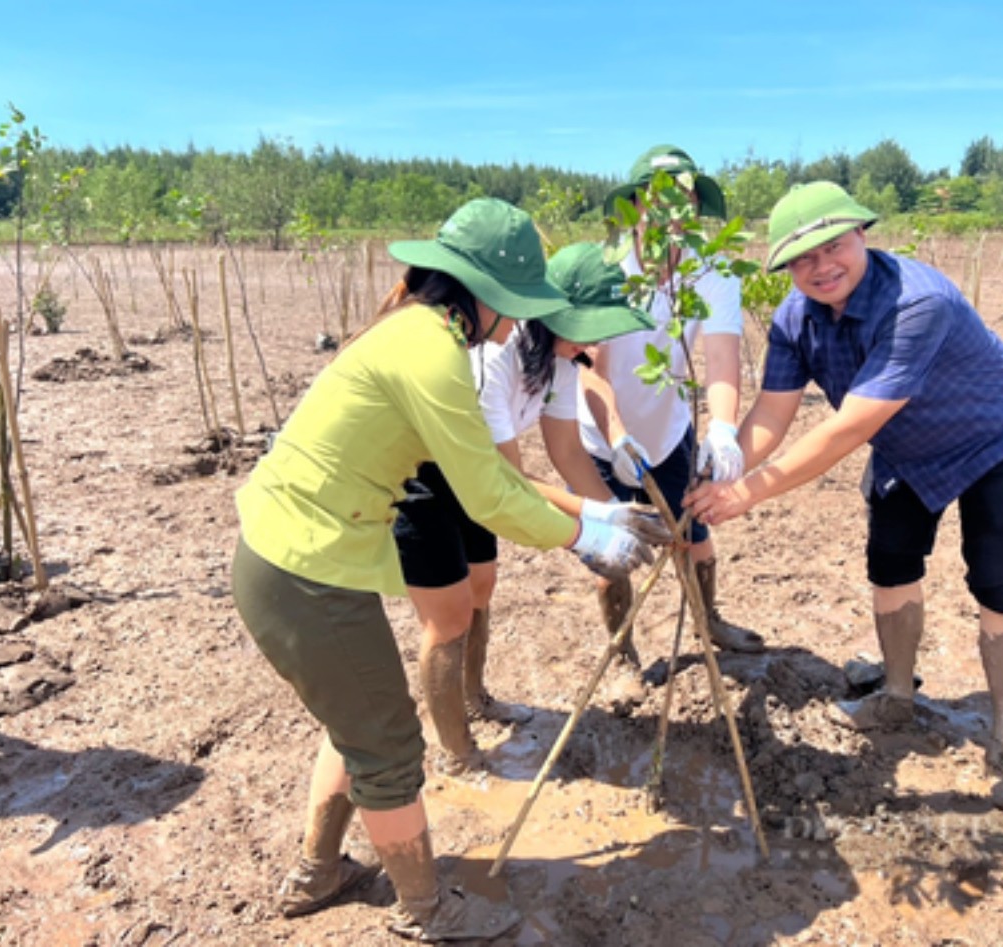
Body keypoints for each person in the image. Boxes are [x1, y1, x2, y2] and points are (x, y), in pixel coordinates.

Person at [231, 198, 656, 941]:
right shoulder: (432, 351)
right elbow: (487, 491)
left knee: (356, 720)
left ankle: (317, 871)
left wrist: (597, 513)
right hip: (304, 571)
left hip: (295, 555)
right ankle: (425, 908)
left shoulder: (419, 332)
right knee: (389, 744)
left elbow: (513, 474)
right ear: (486, 296)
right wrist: (584, 537)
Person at [685, 182, 1003, 812]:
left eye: (833, 247)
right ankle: (897, 695)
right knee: (891, 565)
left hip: (990, 439)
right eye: (801, 260)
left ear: (863, 236)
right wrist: (725, 464)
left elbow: (847, 427)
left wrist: (745, 495)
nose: (821, 268)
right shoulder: (795, 319)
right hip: (905, 450)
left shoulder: (916, 301)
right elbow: (773, 408)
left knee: (1000, 586)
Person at [394, 240, 670, 769]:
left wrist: (617, 509)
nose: (600, 340)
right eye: (592, 326)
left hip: (478, 478)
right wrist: (595, 523)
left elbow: (567, 453)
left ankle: (476, 697)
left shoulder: (561, 363)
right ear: (557, 313)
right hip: (425, 478)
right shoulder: (496, 356)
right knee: (447, 617)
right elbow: (506, 480)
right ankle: (457, 753)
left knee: (482, 587)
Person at [578, 144, 764, 672]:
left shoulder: (713, 271)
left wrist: (724, 427)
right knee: (613, 550)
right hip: (601, 435)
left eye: (683, 202)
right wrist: (615, 438)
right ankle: (621, 656)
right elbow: (595, 371)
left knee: (694, 533)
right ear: (635, 208)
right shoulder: (610, 270)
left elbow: (723, 358)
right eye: (658, 202)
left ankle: (709, 622)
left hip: (670, 428)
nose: (672, 216)